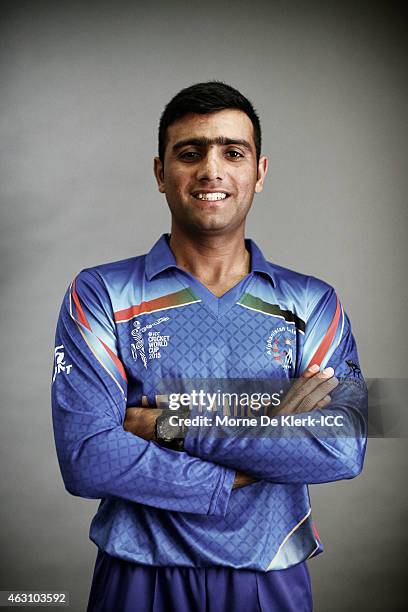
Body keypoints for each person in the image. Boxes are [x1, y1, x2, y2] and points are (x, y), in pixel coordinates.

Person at [51, 81, 368, 612]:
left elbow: (342, 447)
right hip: (140, 577)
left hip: (268, 578)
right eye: (190, 153)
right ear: (160, 173)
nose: (211, 170)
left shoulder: (313, 304)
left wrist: (170, 426)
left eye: (232, 152)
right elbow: (86, 457)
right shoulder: (101, 293)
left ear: (259, 173)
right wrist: (268, 439)